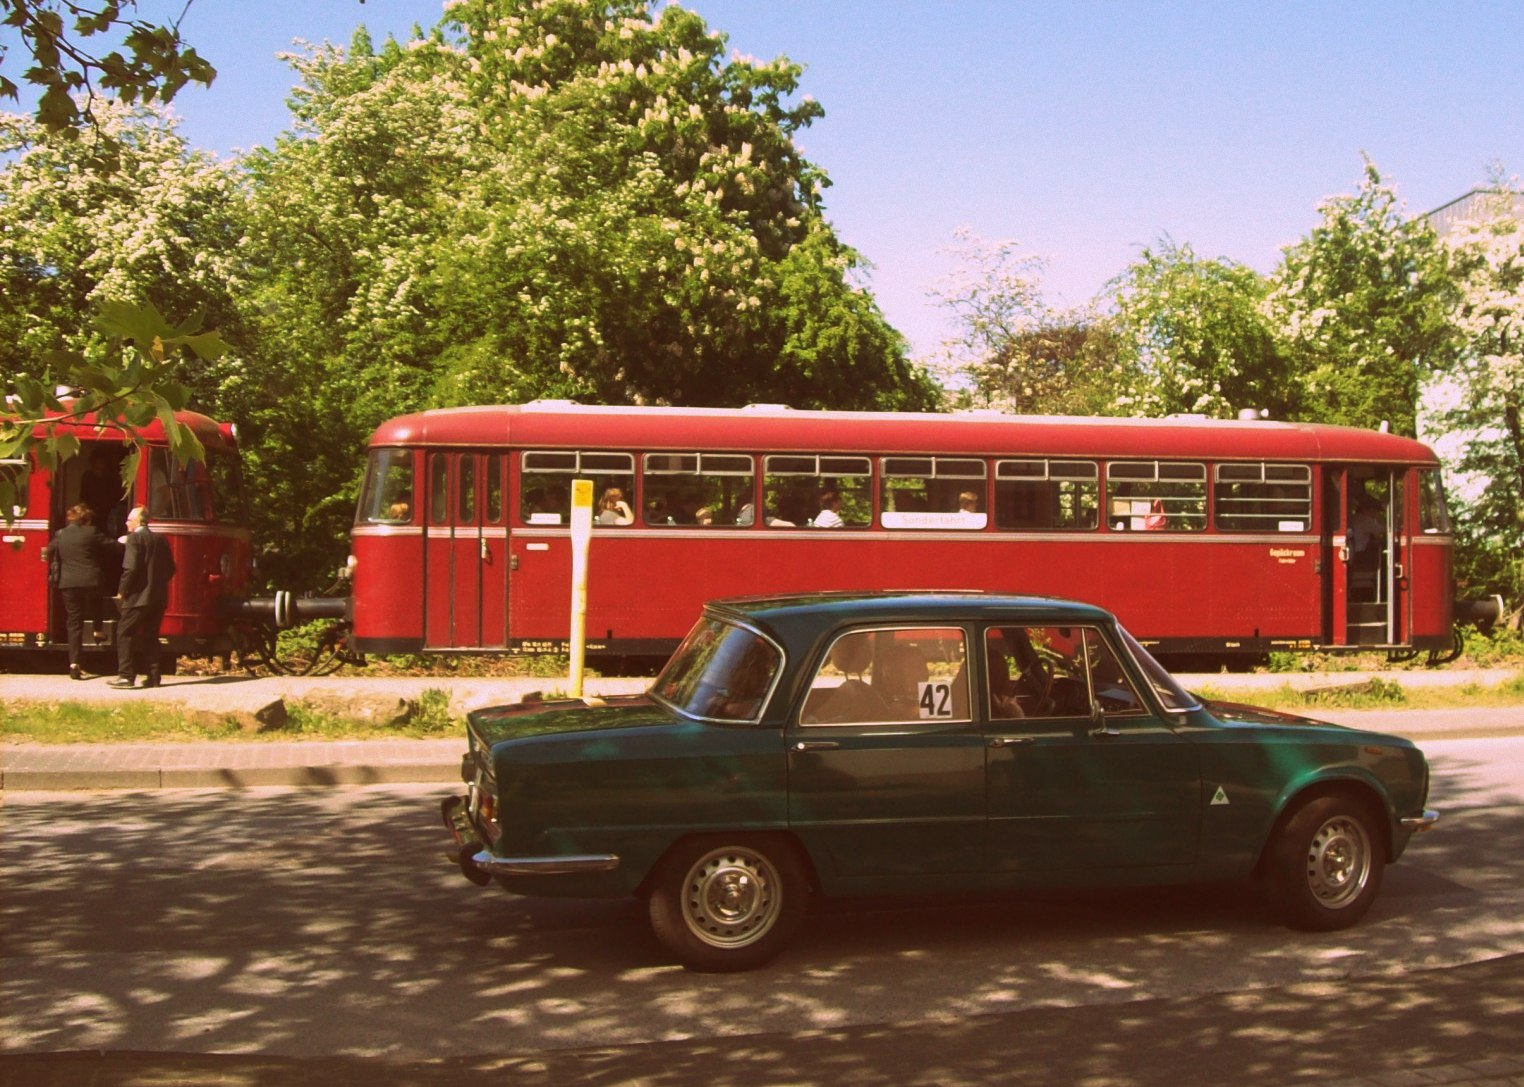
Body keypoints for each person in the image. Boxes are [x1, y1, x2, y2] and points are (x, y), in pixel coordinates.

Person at [109, 506, 176, 689]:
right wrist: (157, 584)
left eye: (129, 520)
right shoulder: (161, 540)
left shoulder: (134, 539)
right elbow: (171, 568)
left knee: (124, 632)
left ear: (138, 522)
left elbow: (130, 569)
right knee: (151, 636)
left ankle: (126, 676)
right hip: (159, 597)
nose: (126, 522)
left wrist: (122, 591)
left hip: (138, 598)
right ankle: (153, 676)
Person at [44, 504, 111, 680]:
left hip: (69, 583)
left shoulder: (61, 534)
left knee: (74, 623)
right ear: (86, 519)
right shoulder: (92, 532)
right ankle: (97, 628)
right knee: (96, 600)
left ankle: (74, 664)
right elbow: (112, 546)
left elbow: (47, 552)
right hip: (91, 580)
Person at [80, 446, 126, 535]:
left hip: (109, 511)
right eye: (97, 460)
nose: (99, 463)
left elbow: (117, 495)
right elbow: (83, 495)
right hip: (91, 511)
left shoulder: (112, 478)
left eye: (101, 461)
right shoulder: (87, 477)